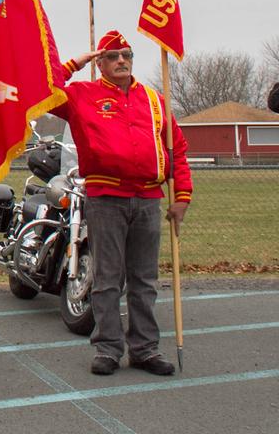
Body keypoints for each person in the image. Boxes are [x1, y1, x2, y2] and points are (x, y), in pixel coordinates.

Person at [56, 30, 192, 377]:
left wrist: (182, 196)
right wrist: (74, 63)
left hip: (148, 199)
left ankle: (145, 349)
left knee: (144, 280)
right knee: (107, 278)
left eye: (126, 55)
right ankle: (108, 349)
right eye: (113, 55)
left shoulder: (154, 100)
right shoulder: (81, 95)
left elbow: (176, 149)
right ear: (99, 62)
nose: (121, 61)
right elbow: (42, 91)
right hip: (106, 199)